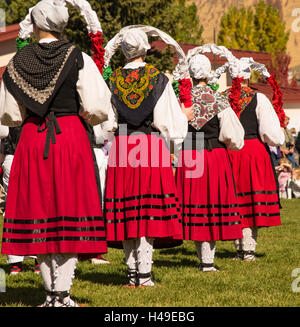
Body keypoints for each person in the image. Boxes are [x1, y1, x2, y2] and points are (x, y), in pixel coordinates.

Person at [0, 0, 112, 307]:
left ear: (36, 25)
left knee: (42, 214)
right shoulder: (79, 58)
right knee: (70, 213)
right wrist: (85, 119)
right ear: (62, 25)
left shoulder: (18, 61)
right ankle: (62, 295)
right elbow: (99, 106)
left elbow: (9, 115)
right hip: (70, 137)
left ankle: (51, 295)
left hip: (34, 140)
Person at [103, 26, 193, 288]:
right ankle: (144, 274)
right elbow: (170, 125)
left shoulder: (113, 80)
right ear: (145, 49)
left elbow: (107, 125)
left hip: (121, 146)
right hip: (149, 147)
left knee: (127, 210)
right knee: (147, 210)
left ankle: (131, 274)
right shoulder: (159, 79)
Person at [175, 46, 245, 272]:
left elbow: (174, 130)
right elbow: (232, 135)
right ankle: (207, 261)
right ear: (208, 73)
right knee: (211, 205)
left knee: (196, 204)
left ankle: (203, 257)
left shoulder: (182, 99)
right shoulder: (218, 99)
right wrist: (231, 146)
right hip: (214, 155)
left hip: (189, 154)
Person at [223, 56, 285, 261]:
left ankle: (241, 248)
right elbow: (271, 134)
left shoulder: (222, 98)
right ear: (248, 78)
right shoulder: (259, 99)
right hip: (252, 152)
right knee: (250, 200)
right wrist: (279, 137)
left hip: (230, 152)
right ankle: (248, 249)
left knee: (237, 200)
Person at [0, 127, 40, 274]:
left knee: (13, 209)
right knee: (36, 207)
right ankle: (35, 259)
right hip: (27, 153)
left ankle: (17, 261)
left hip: (14, 154)